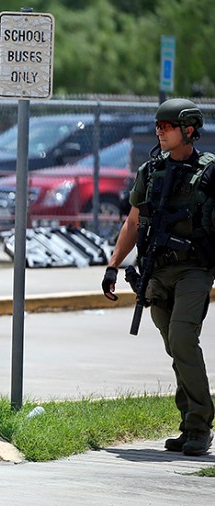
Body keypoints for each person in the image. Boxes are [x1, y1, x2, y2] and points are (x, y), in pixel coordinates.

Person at [103, 98, 214, 457]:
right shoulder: (150, 171)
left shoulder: (211, 172)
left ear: (189, 130)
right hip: (158, 270)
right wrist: (113, 265)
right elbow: (133, 221)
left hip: (195, 268)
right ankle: (189, 423)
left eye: (166, 126)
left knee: (183, 339)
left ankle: (200, 425)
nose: (159, 132)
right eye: (158, 126)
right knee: (174, 348)